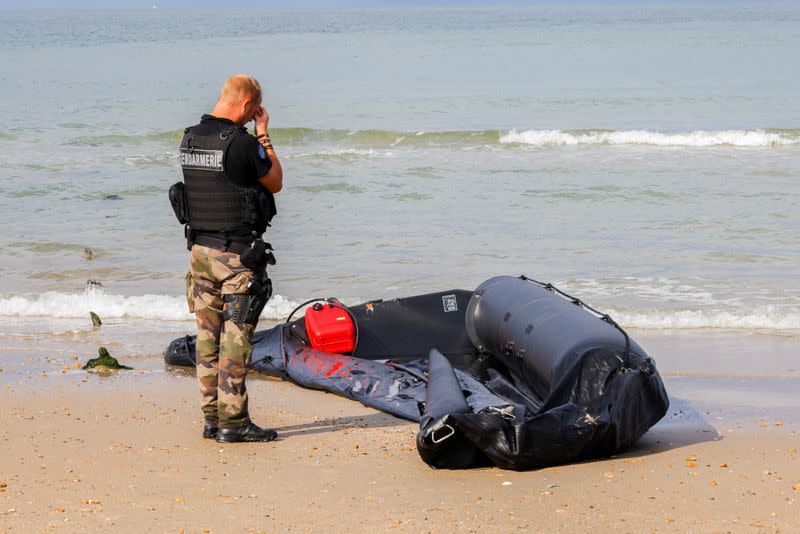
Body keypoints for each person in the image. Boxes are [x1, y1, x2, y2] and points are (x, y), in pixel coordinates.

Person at [174, 74, 283, 443]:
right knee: (235, 341)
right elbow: (275, 180)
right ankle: (233, 424)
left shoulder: (190, 138)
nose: (254, 116)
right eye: (253, 110)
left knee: (207, 340)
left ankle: (211, 418)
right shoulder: (241, 144)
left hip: (199, 253)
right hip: (236, 258)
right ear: (246, 106)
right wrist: (263, 133)